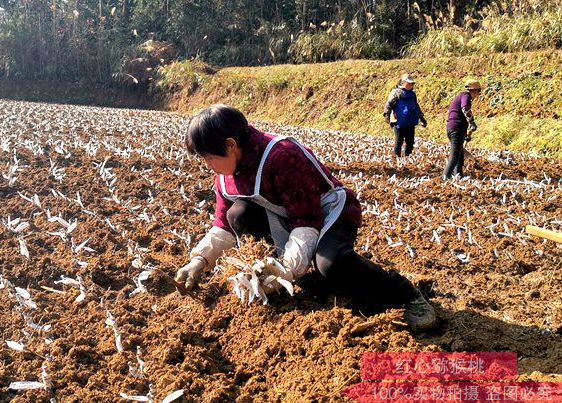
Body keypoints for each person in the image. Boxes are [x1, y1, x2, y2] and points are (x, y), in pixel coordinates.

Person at [175, 104, 437, 331]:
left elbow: (306, 221)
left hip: (327, 213)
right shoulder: (226, 174)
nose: (208, 165)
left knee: (330, 264)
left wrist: (283, 271)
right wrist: (199, 260)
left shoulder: (281, 156)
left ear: (230, 145)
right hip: (287, 216)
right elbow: (223, 223)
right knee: (238, 214)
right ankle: (294, 276)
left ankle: (405, 293)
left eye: (209, 158)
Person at [443, 79, 481, 179]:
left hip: (455, 128)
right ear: (475, 91)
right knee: (454, 156)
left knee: (459, 154)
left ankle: (458, 174)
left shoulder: (461, 96)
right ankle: (445, 177)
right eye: (478, 92)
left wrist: (465, 136)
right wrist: (471, 122)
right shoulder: (466, 96)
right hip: (456, 128)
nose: (477, 95)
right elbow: (465, 108)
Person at [383, 74, 427, 157]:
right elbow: (389, 104)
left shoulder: (412, 94)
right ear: (403, 82)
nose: (412, 85)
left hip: (410, 121)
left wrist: (421, 117)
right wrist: (386, 115)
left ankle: (407, 159)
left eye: (413, 83)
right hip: (399, 121)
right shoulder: (396, 92)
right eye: (410, 83)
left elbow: (416, 106)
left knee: (410, 142)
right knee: (399, 141)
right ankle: (397, 160)